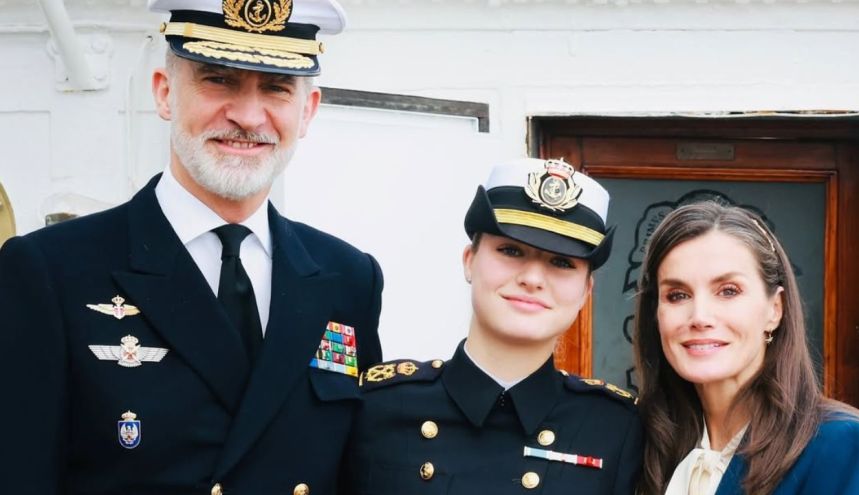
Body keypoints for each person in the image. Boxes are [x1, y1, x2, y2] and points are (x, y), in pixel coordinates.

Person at [0, 0, 383, 493]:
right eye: (218, 79)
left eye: (276, 88)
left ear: (307, 110)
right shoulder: (49, 272)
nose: (248, 116)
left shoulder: (348, 279)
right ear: (164, 94)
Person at [341, 158, 643, 494]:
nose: (531, 279)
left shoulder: (616, 429)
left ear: (586, 290)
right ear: (469, 260)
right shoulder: (376, 405)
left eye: (561, 262)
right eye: (511, 250)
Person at [633, 201, 859, 495]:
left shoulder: (840, 444)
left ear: (774, 310)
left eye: (728, 291)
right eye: (677, 295)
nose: (700, 316)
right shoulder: (644, 442)